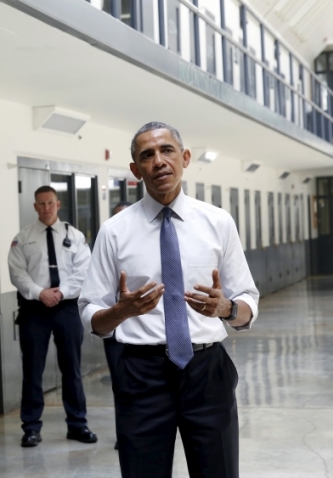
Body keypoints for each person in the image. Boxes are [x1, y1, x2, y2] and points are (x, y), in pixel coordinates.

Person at [79, 122, 258, 477]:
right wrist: (120, 311)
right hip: (141, 375)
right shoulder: (115, 231)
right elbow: (90, 313)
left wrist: (227, 308)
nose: (158, 161)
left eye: (167, 151)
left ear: (185, 158)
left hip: (207, 372)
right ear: (135, 170)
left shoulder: (218, 222)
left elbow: (247, 303)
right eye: (147, 155)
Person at [9, 185, 96, 448]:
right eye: (41, 204)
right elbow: (17, 273)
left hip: (66, 308)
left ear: (58, 204)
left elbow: (84, 270)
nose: (46, 208)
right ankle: (31, 428)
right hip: (35, 309)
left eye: (50, 203)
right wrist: (39, 293)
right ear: (35, 207)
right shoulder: (22, 239)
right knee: (32, 371)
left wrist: (61, 293)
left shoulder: (76, 236)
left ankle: (78, 424)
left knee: (72, 369)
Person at [104, 200, 131, 451]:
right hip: (115, 328)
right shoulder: (107, 246)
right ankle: (123, 432)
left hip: (143, 334)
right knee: (120, 382)